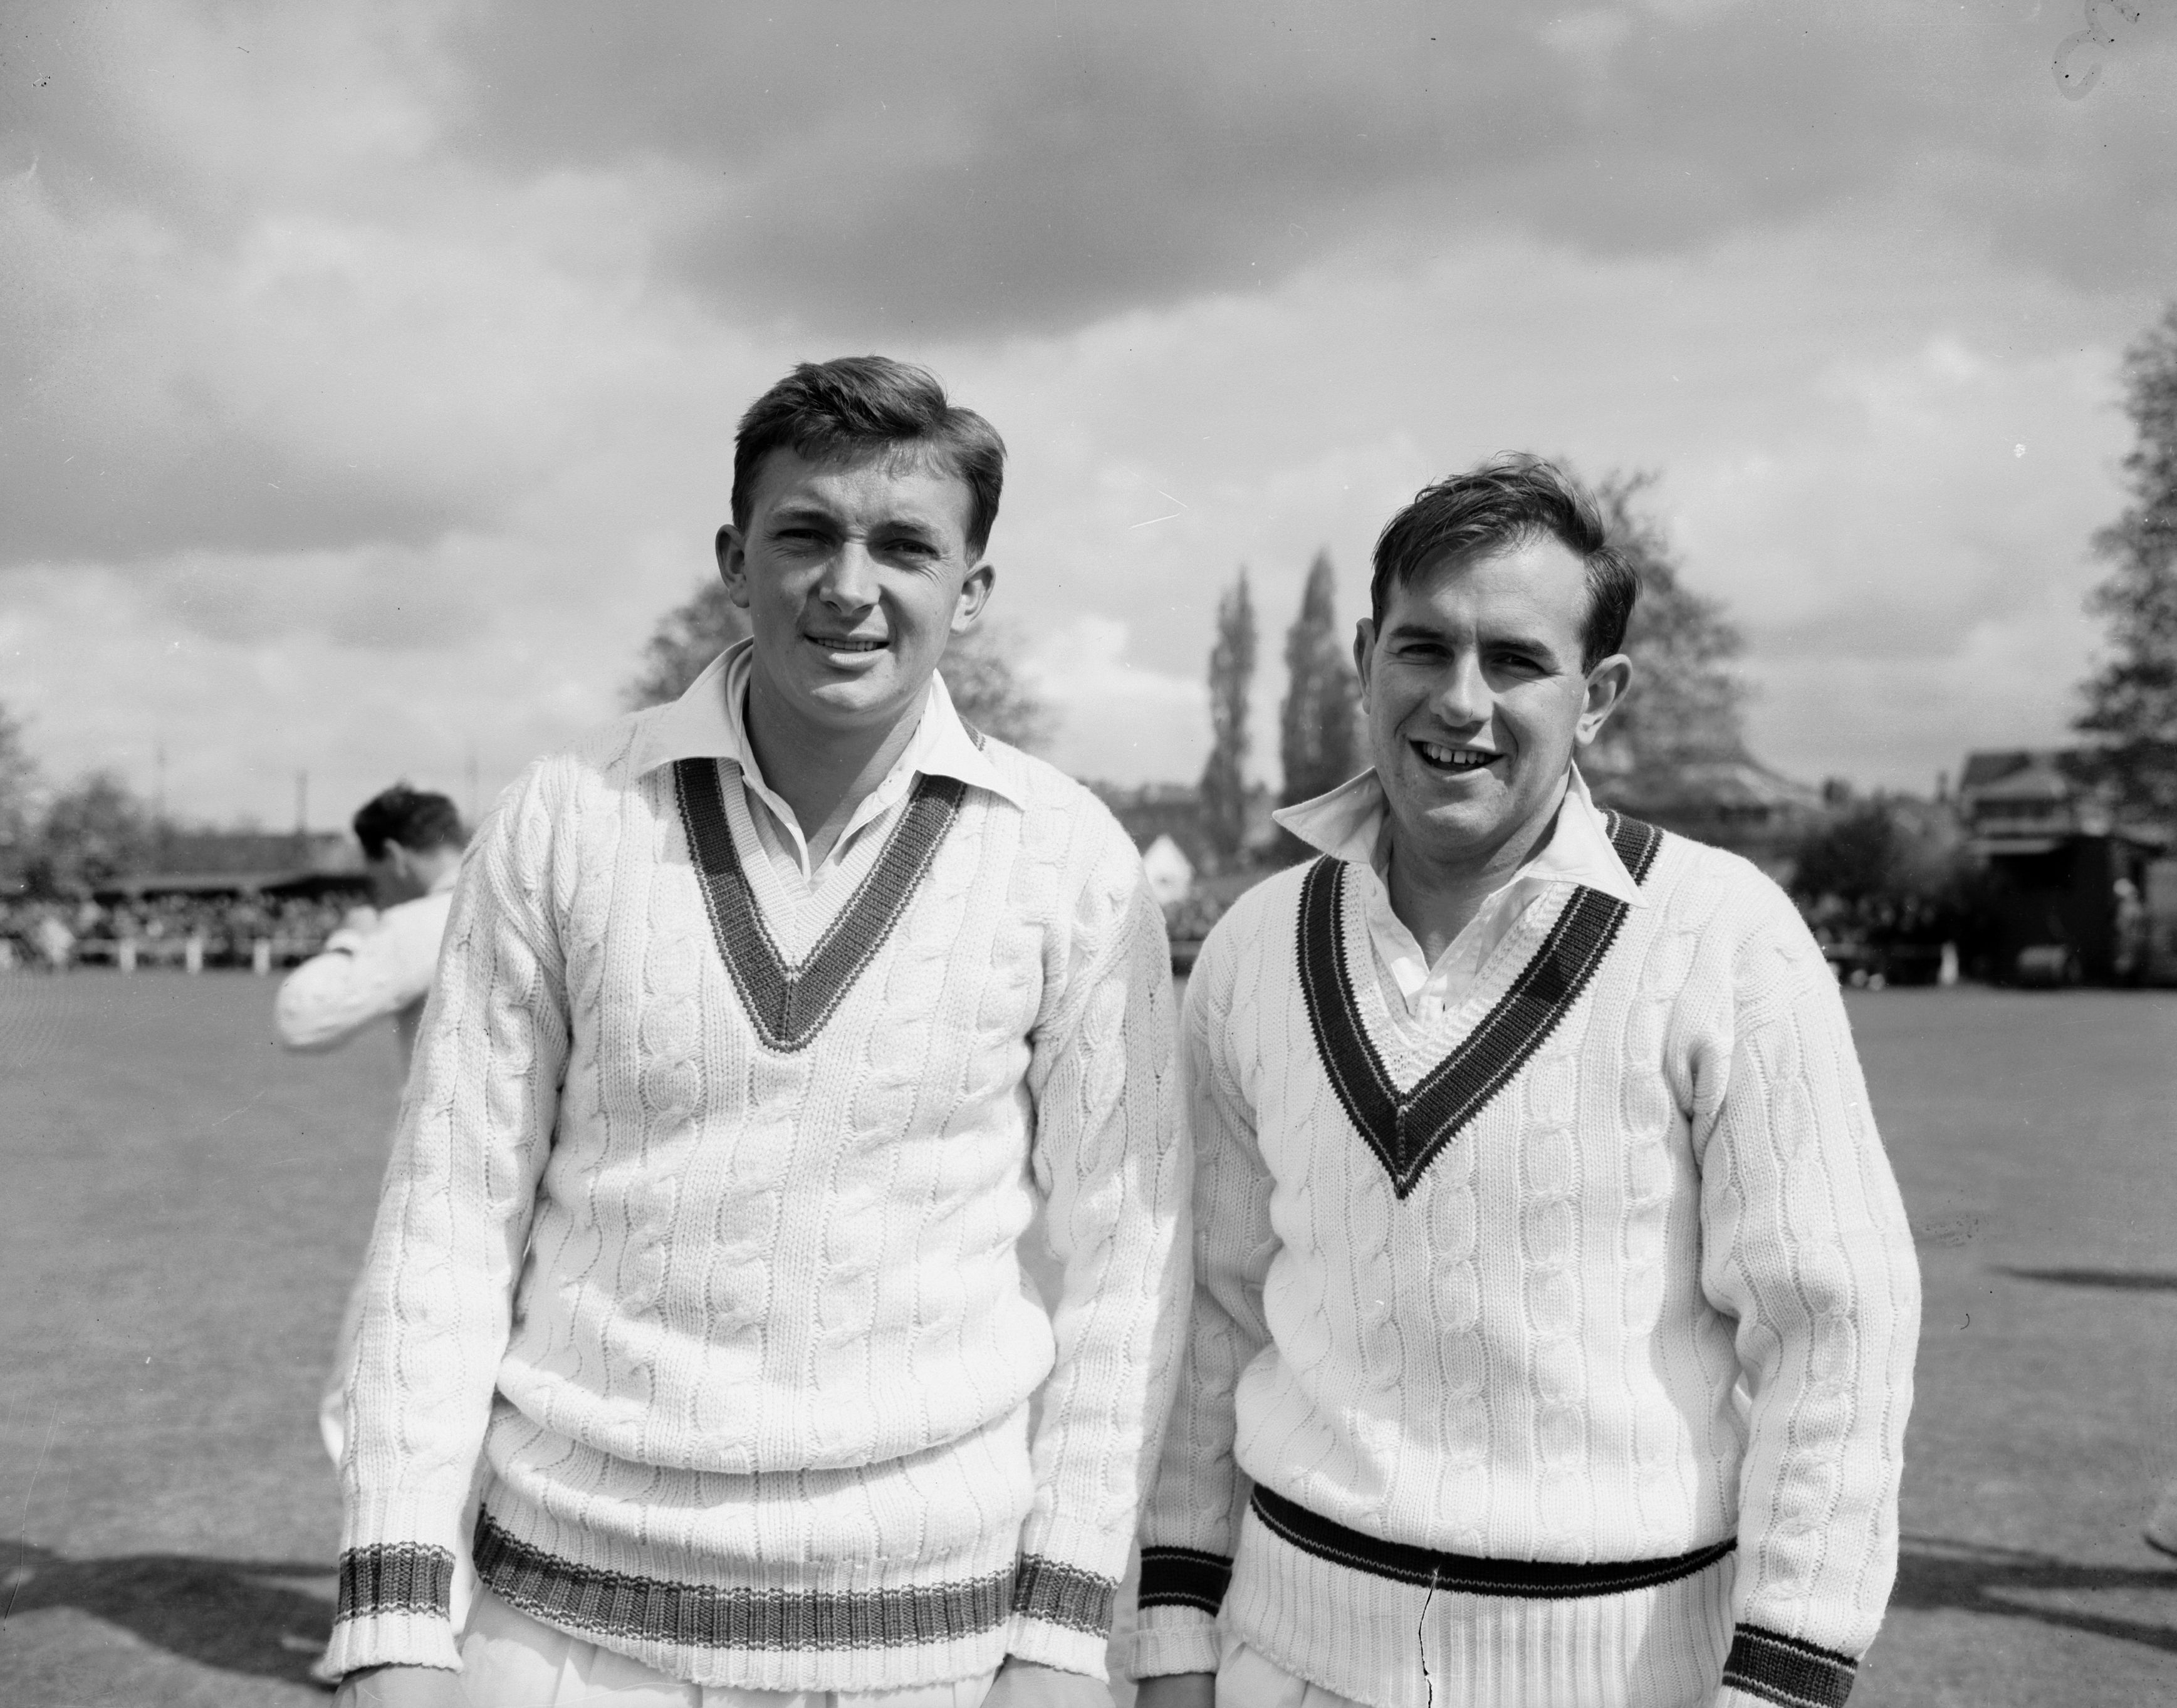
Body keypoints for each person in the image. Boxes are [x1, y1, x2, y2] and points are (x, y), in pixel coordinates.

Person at [325, 356, 1186, 1708]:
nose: (850, 586)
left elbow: (1124, 1271)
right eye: (806, 534)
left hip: (940, 1645)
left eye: (905, 546)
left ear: (971, 591)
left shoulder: (1070, 856)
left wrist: (1069, 1633)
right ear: (735, 559)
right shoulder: (564, 821)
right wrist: (391, 1617)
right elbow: (445, 1219)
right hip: (564, 1637)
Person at [1130, 456, 1921, 1708]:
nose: (1460, 700)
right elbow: (1209, 1317)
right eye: (1423, 647)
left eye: (1515, 659)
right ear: (1362, 654)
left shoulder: (1722, 933)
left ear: (1597, 694)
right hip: (1282, 1658)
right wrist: (1174, 1631)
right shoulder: (1250, 945)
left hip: (1622, 1676)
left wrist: (1783, 1679)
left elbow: (1834, 1331)